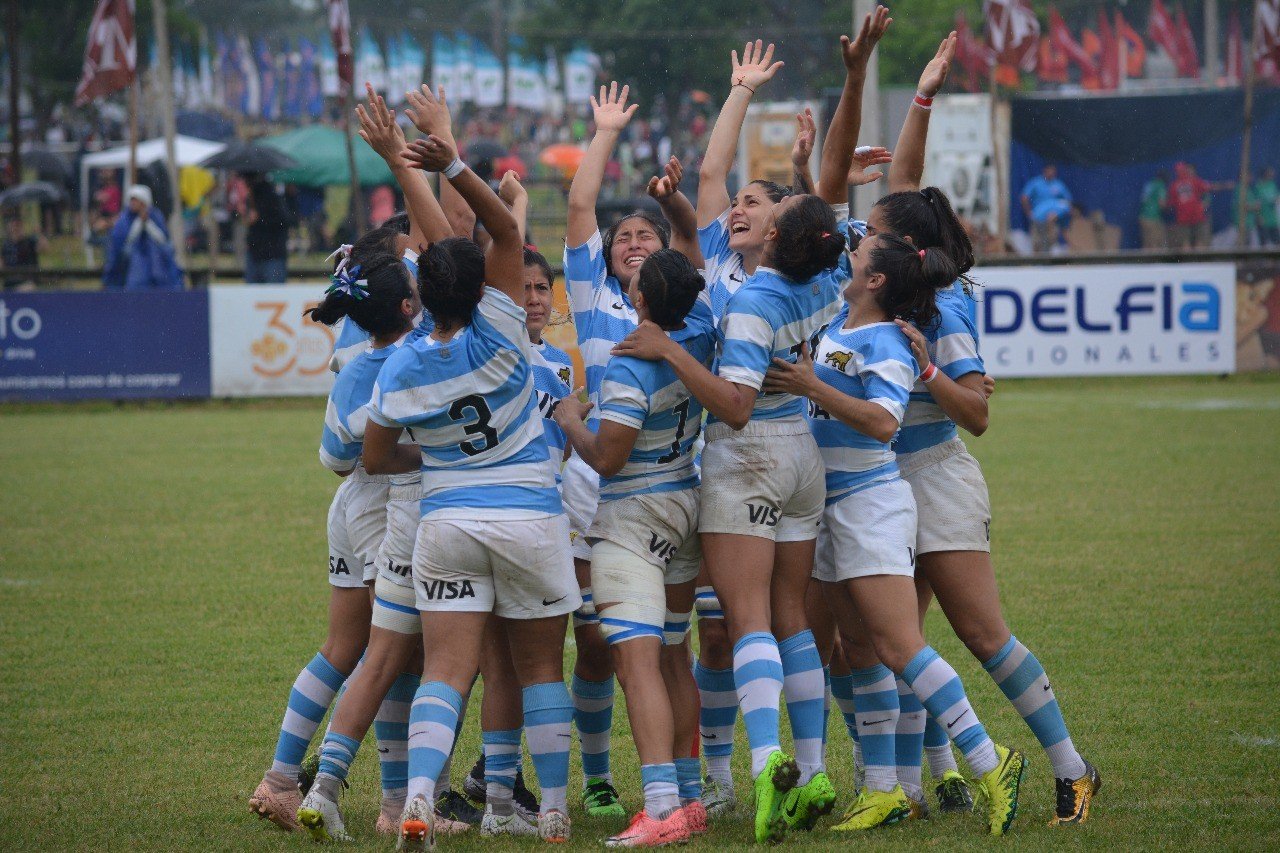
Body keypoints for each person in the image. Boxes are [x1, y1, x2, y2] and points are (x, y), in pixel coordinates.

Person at [865, 56, 1101, 826]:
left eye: (874, 232)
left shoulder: (943, 306)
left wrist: (929, 368)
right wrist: (921, 94)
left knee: (981, 632)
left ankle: (1072, 768)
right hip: (879, 484)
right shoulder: (886, 281)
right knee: (902, 643)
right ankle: (909, 788)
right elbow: (904, 181)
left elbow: (977, 411)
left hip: (935, 478)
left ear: (904, 248)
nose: (862, 235)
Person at [687, 22, 891, 825]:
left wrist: (674, 358)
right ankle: (812, 770)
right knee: (791, 620)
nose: (735, 204)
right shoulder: (827, 271)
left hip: (749, 450)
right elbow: (814, 193)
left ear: (776, 231)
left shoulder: (753, 295)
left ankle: (770, 760)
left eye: (754, 202)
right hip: (803, 451)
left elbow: (733, 401)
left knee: (748, 623)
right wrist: (799, 145)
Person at [361, 108, 580, 848]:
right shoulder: (507, 323)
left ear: (423, 292)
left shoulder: (404, 362)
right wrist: (449, 162)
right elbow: (504, 232)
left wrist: (401, 162)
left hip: (446, 521)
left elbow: (373, 456)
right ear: (481, 280)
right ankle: (550, 809)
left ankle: (419, 796)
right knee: (542, 665)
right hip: (529, 514)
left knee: (446, 671)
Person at [763, 233, 1028, 837]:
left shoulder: (885, 340)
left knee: (900, 645)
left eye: (860, 255)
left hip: (870, 505)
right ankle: (882, 789)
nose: (850, 256)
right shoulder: (839, 321)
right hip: (828, 509)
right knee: (858, 653)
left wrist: (811, 387)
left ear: (877, 280)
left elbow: (884, 422)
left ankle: (991, 762)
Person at [249, 251, 419, 834]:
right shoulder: (412, 359)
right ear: (408, 303)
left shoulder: (351, 363)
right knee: (393, 655)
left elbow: (333, 459)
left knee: (341, 647)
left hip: (349, 507)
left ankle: (278, 778)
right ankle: (387, 804)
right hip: (391, 507)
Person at [553, 249, 715, 847]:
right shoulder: (699, 337)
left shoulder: (627, 364)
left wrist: (571, 419)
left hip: (631, 516)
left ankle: (661, 805)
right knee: (675, 655)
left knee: (638, 662)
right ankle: (691, 798)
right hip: (685, 503)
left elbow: (607, 458)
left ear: (640, 298)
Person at [559, 81, 681, 821]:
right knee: (595, 642)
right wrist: (603, 132)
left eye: (647, 235)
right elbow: (579, 208)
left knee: (664, 642)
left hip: (667, 485)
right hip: (591, 483)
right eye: (623, 237)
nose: (633, 242)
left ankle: (695, 781)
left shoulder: (683, 307)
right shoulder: (592, 294)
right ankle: (600, 774)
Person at [102, 184, 184, 290]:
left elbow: (163, 239)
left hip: (154, 257)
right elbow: (125, 242)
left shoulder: (155, 215)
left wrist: (148, 223)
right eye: (131, 200)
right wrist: (139, 223)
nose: (132, 203)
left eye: (136, 200)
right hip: (130, 260)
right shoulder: (124, 218)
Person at [1166, 162, 1233, 250]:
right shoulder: (1194, 181)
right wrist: (1225, 185)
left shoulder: (1174, 186)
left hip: (1183, 219)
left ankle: (1189, 262)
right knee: (1199, 242)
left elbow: (1170, 204)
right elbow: (1211, 187)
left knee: (1186, 244)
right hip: (1197, 216)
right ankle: (1197, 262)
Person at [244, 172, 293, 283]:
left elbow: (283, 221)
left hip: (271, 256)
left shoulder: (270, 197)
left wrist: (260, 218)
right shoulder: (251, 198)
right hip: (258, 254)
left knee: (272, 296)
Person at [1020, 164, 1072, 253]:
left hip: (1052, 220)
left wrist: (1056, 214)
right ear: (1044, 171)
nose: (1051, 173)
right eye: (1049, 171)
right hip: (1037, 218)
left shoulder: (1058, 184)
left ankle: (1047, 263)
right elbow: (1024, 197)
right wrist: (1029, 212)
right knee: (1037, 242)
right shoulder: (1036, 183)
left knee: (1050, 242)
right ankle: (1036, 264)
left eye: (1053, 171)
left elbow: (1067, 201)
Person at [2, 217, 47, 291]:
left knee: (25, 289)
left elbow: (44, 248)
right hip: (9, 283)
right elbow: (2, 262)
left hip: (27, 282)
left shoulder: (29, 241)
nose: (16, 229)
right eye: (13, 226)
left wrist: (39, 233)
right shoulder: (6, 244)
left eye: (18, 226)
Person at [1138, 171, 1169, 250]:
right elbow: (1162, 203)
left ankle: (1143, 261)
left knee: (1146, 243)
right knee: (1155, 243)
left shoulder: (1149, 184)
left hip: (1143, 216)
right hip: (1152, 217)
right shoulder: (1160, 185)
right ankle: (1156, 262)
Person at [1251, 167, 1279, 247]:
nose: (1272, 175)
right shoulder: (1258, 187)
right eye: (1270, 173)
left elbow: (1276, 198)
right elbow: (1255, 203)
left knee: (1277, 242)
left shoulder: (1272, 184)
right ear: (1265, 174)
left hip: (1272, 220)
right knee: (1264, 244)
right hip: (1263, 220)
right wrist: (1258, 216)